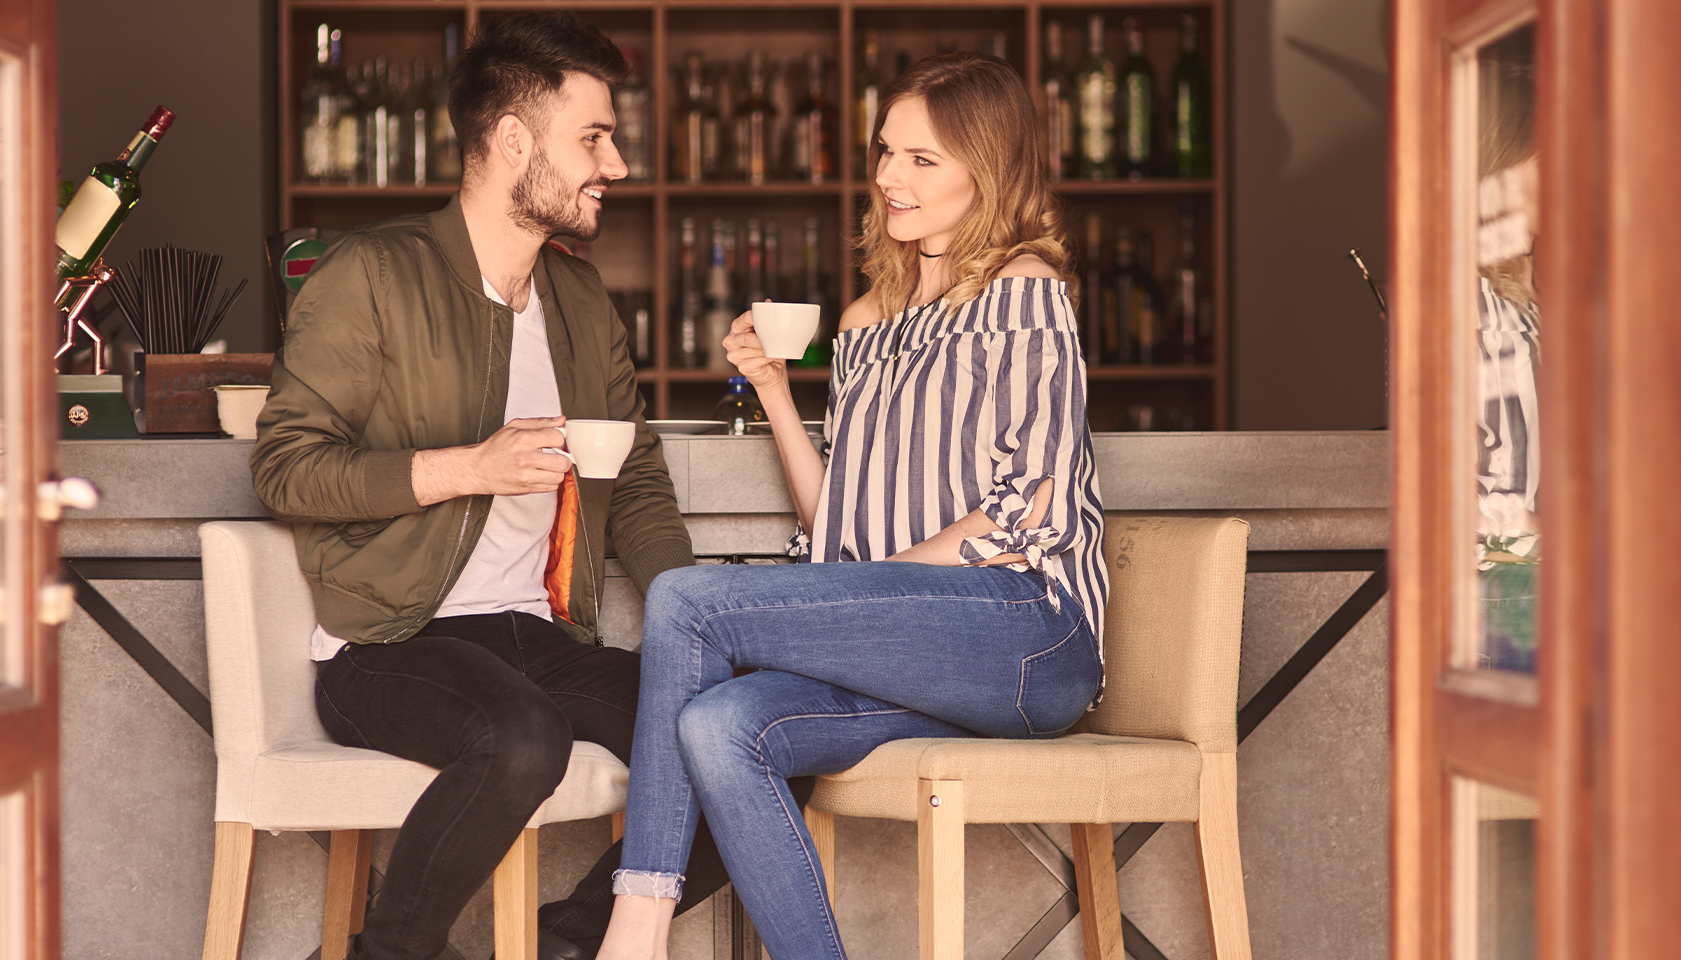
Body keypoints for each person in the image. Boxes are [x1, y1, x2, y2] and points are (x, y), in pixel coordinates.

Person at [251, 14, 784, 960]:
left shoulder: (581, 300)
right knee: (523, 737)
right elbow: (287, 470)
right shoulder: (371, 275)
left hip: (537, 638)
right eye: (593, 137)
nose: (614, 164)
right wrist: (469, 467)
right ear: (511, 142)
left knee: (756, 739)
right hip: (389, 640)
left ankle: (569, 945)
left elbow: (642, 483)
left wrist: (694, 626)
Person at [594, 53, 1110, 960]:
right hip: (917, 650)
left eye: (921, 159)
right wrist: (776, 393)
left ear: (985, 170)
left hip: (1026, 637)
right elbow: (839, 522)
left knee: (685, 598)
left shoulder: (1024, 290)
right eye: (885, 152)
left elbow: (1027, 505)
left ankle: (634, 928)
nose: (886, 177)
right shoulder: (870, 318)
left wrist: (867, 590)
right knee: (718, 727)